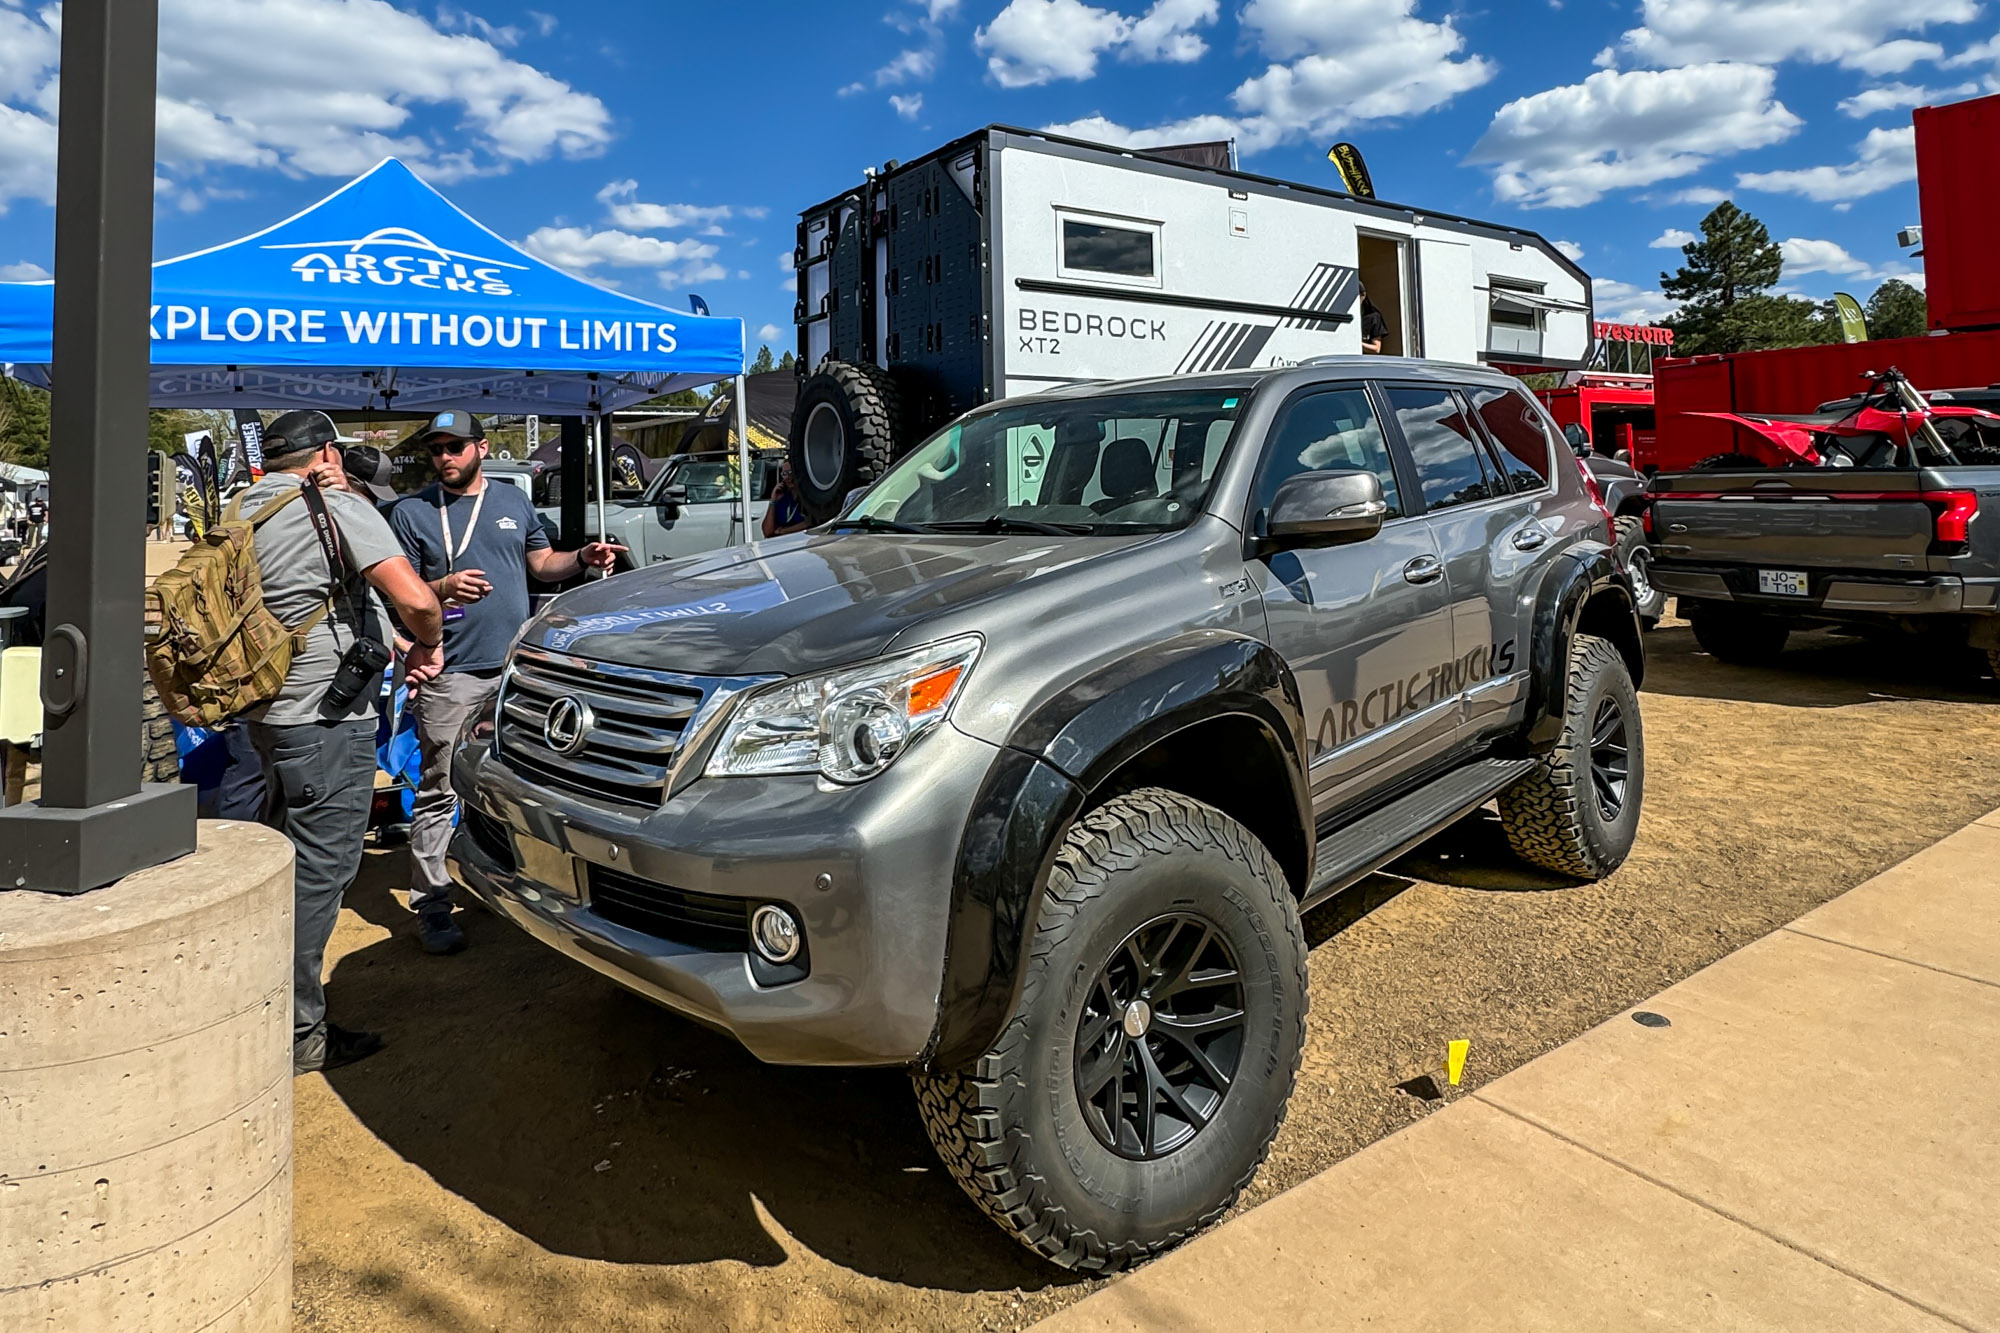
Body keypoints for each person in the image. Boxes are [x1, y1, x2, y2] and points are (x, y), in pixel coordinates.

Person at [235, 409, 445, 1076]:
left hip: (269, 712)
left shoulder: (245, 505)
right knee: (320, 876)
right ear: (325, 452)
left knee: (285, 864)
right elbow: (416, 598)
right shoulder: (328, 503)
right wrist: (429, 643)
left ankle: (260, 1007)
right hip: (326, 719)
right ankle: (297, 1030)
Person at [389, 411, 624, 954]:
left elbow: (541, 563)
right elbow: (395, 592)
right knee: (441, 787)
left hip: (517, 674)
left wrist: (583, 557)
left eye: (455, 447)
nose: (445, 457)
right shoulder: (413, 512)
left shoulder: (513, 502)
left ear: (482, 447)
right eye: (436, 449)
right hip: (450, 674)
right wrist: (443, 586)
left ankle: (514, 879)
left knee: (520, 784)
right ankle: (432, 903)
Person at [762, 459, 812, 537]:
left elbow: (810, 523)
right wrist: (772, 501)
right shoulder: (783, 499)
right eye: (784, 474)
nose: (787, 477)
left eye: (790, 473)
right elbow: (767, 532)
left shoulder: (808, 497)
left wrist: (783, 531)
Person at [1359, 285, 1389, 355]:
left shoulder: (1373, 317)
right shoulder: (1344, 317)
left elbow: (1376, 349)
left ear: (1363, 295)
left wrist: (1357, 344)